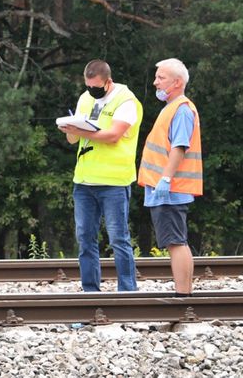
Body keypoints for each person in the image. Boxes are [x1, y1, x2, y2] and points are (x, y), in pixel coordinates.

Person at [58, 60, 142, 292]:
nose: (91, 91)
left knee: (118, 239)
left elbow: (114, 135)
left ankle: (127, 293)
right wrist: (70, 130)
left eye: (96, 87)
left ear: (108, 82)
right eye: (88, 86)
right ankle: (90, 293)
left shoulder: (126, 100)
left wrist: (81, 130)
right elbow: (74, 140)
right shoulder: (86, 98)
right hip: (84, 181)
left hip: (114, 182)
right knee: (85, 240)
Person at [139, 58, 202, 295]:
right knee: (176, 241)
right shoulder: (173, 107)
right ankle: (183, 292)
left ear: (176, 82)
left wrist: (165, 179)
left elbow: (179, 146)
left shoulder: (182, 109)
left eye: (161, 78)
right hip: (166, 188)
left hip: (171, 188)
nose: (155, 82)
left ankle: (183, 295)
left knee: (176, 242)